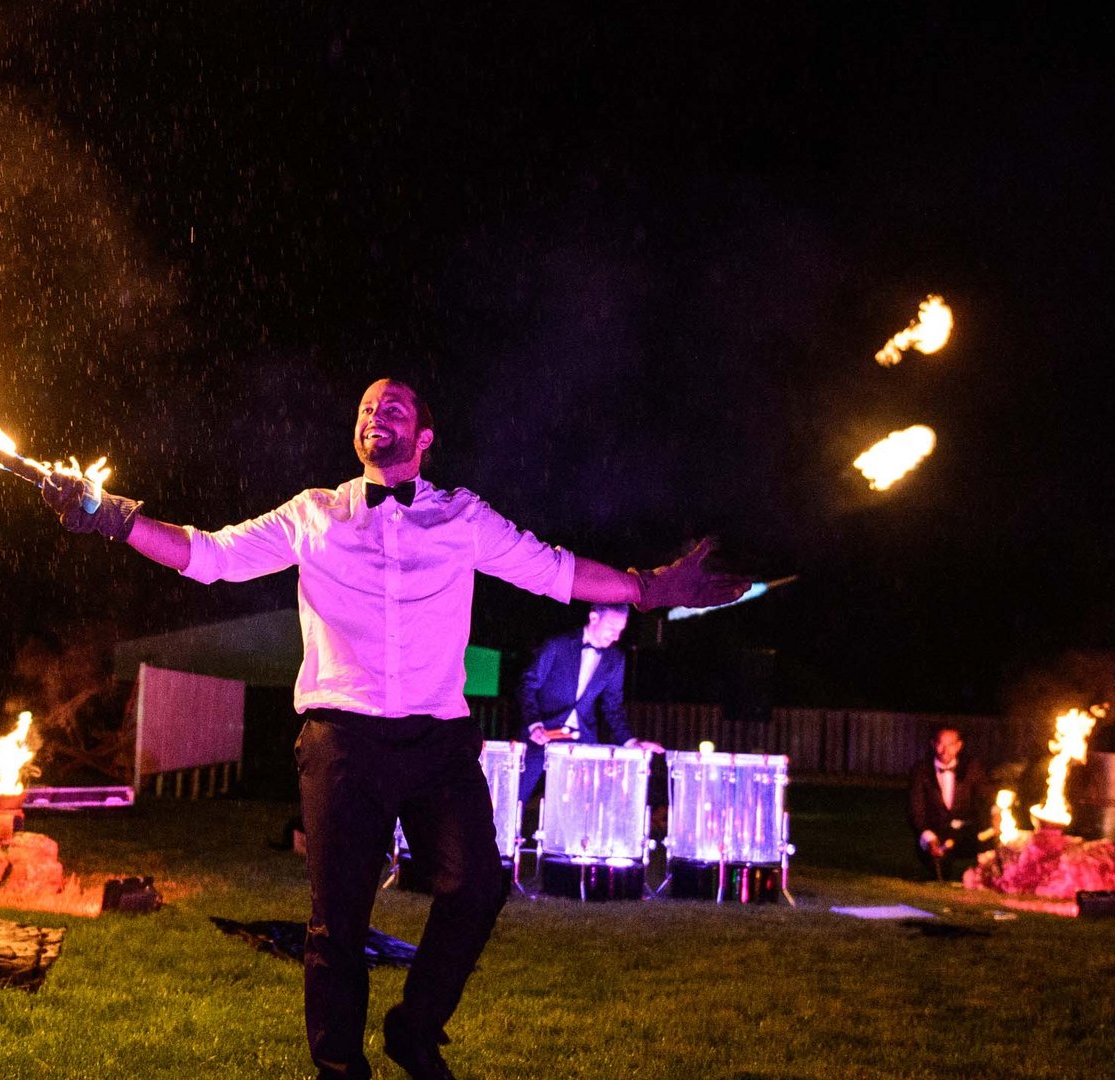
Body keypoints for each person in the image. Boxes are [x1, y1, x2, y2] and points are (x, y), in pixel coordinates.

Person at [39, 378, 749, 1080]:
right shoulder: (314, 513)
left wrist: (647, 586)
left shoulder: (463, 517)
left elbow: (554, 572)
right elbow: (213, 556)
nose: (377, 414)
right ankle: (341, 1069)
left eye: (395, 407)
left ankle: (413, 1030)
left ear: (425, 438)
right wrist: (114, 517)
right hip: (341, 737)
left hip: (437, 739)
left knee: (477, 886)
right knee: (337, 920)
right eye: (367, 407)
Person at [516, 604, 663, 804]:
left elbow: (613, 707)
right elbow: (528, 686)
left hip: (582, 738)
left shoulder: (615, 659)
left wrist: (631, 743)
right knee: (517, 797)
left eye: (620, 631)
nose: (616, 637)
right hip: (541, 734)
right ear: (594, 618)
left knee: (582, 805)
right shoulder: (558, 645)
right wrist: (534, 724)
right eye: (612, 628)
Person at [907, 726, 990, 881]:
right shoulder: (921, 771)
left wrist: (995, 815)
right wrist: (929, 837)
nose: (945, 750)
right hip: (936, 834)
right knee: (940, 868)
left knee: (992, 843)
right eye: (940, 744)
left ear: (959, 746)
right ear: (933, 744)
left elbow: (986, 798)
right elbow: (915, 811)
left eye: (950, 745)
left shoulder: (972, 768)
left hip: (966, 833)